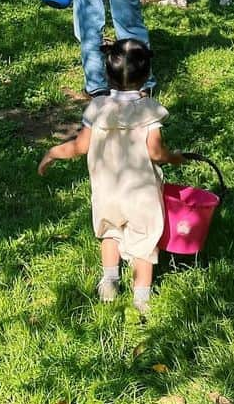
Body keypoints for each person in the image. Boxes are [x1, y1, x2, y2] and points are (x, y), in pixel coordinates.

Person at [38, 39, 182, 315]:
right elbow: (155, 152)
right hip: (141, 194)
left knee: (110, 234)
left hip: (107, 192)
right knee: (143, 245)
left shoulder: (98, 109)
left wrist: (54, 152)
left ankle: (109, 282)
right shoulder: (149, 110)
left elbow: (80, 147)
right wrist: (175, 157)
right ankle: (141, 300)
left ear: (107, 74)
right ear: (146, 75)